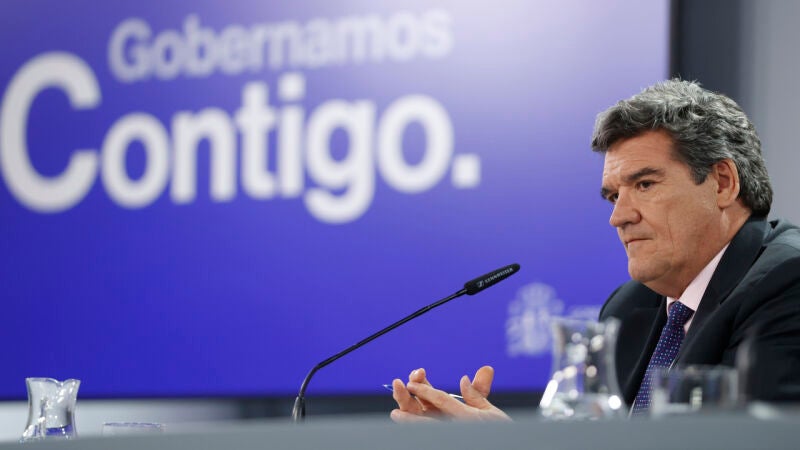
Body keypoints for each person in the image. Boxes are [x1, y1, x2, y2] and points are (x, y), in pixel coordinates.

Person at [390, 79, 800, 422]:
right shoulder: (628, 307)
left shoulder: (787, 284)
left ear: (723, 183)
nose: (618, 217)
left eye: (644, 185)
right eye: (613, 196)